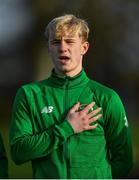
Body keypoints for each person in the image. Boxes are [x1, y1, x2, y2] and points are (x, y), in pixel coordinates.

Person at [9, 14, 133, 179]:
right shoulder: (29, 95)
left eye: (70, 41)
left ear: (84, 48)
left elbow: (124, 160)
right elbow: (18, 153)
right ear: (48, 48)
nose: (62, 47)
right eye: (55, 42)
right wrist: (67, 128)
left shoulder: (106, 97)